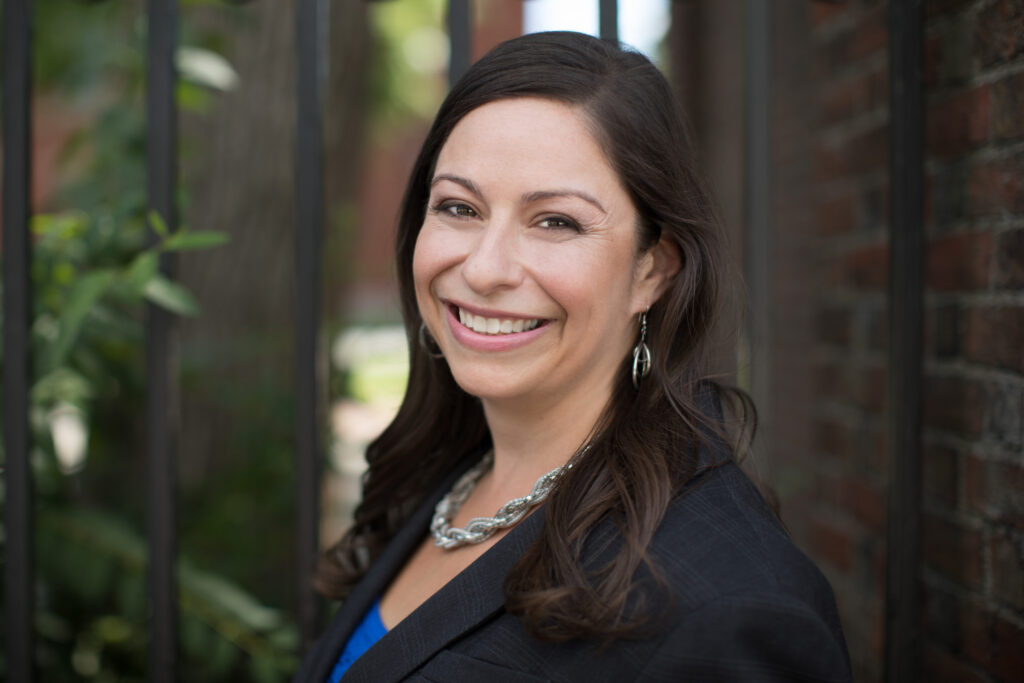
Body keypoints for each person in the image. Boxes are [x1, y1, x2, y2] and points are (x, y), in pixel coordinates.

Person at [295, 31, 851, 682]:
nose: (485, 267)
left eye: (555, 220)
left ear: (653, 269)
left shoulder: (731, 607)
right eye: (458, 207)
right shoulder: (439, 478)